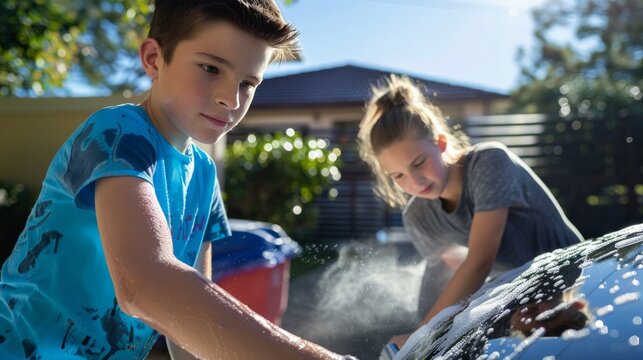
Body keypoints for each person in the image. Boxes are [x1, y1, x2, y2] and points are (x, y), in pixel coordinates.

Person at [0, 1, 357, 359]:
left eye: (248, 83)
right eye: (210, 68)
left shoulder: (202, 175)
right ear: (154, 59)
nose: (230, 99)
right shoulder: (117, 134)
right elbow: (145, 285)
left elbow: (186, 321)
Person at [357, 75, 583, 348]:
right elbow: (448, 276)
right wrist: (423, 340)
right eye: (398, 176)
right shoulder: (417, 217)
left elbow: (477, 262)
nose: (414, 182)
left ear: (440, 143)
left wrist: (421, 337)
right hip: (518, 295)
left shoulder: (489, 162)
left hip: (574, 279)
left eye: (419, 162)